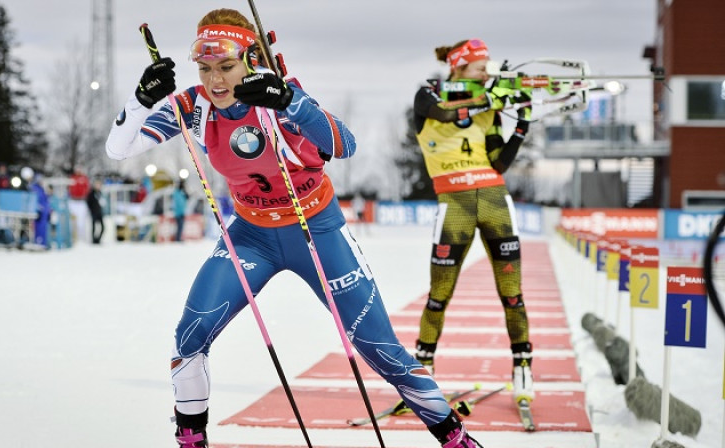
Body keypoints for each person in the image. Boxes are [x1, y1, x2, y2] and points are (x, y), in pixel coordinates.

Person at [106, 9, 481, 448]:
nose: (216, 80)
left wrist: (288, 101)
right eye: (205, 69)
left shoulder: (277, 94)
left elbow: (344, 145)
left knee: (381, 350)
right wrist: (140, 101)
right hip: (251, 237)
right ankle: (191, 441)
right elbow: (119, 149)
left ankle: (456, 439)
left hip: (315, 231)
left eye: (226, 66)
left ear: (249, 59)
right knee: (189, 337)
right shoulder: (195, 105)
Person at [411, 38, 534, 407]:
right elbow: (445, 113)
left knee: (512, 294)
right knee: (438, 296)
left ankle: (523, 369)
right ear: (459, 67)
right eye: (481, 66)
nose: (487, 71)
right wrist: (493, 98)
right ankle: (422, 372)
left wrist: (521, 127)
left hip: (495, 200)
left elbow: (498, 162)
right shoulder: (429, 93)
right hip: (455, 203)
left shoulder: (488, 109)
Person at [86, 179, 104, 244]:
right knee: (93, 226)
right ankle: (93, 240)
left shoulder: (100, 193)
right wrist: (91, 210)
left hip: (99, 212)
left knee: (102, 227)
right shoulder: (91, 193)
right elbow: (88, 202)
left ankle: (98, 239)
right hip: (93, 212)